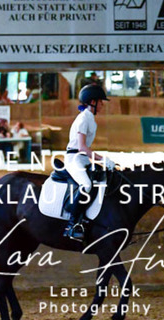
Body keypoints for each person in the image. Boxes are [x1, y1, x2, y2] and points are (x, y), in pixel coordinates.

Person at [63, 84, 116, 240]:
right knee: (86, 184)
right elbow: (82, 147)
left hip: (83, 159)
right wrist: (102, 159)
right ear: (93, 102)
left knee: (102, 178)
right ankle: (72, 225)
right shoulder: (83, 119)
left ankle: (89, 217)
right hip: (74, 158)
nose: (102, 104)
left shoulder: (90, 119)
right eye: (101, 101)